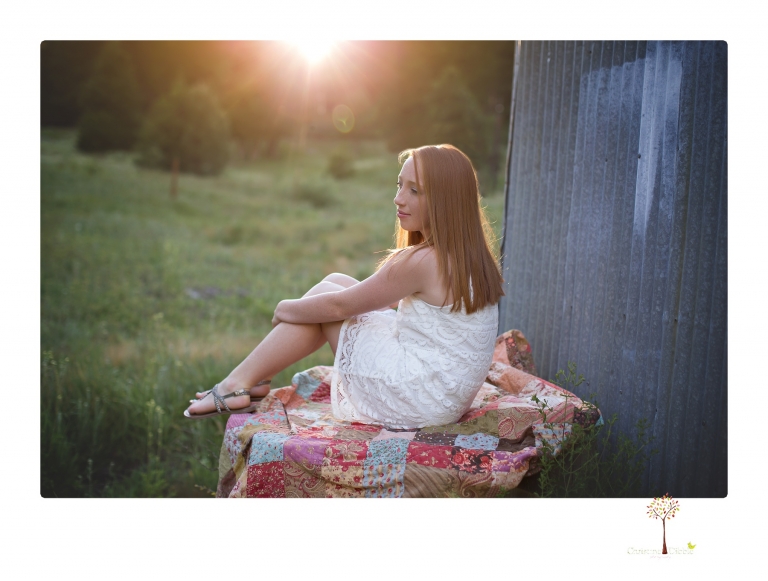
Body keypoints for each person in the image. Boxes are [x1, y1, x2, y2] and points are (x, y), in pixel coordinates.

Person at [184, 144, 504, 428]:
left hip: (418, 395)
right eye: (399, 185)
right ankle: (253, 378)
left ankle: (237, 383)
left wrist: (284, 309)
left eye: (415, 191)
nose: (398, 198)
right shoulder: (469, 256)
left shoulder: (421, 261)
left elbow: (339, 308)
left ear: (445, 201)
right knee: (336, 282)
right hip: (444, 393)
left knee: (329, 298)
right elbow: (390, 308)